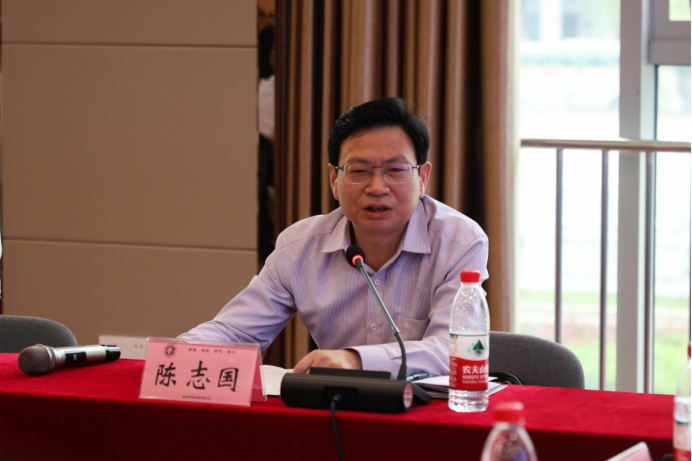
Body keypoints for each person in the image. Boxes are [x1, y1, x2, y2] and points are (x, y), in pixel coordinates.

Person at [178, 97, 488, 377]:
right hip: (335, 412)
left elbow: (455, 349)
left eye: (395, 169)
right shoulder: (299, 247)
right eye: (359, 170)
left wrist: (356, 360)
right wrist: (176, 354)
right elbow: (235, 334)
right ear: (334, 180)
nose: (377, 187)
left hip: (425, 414)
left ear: (422, 179)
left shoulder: (460, 242)